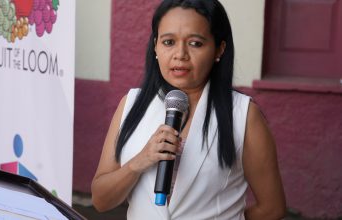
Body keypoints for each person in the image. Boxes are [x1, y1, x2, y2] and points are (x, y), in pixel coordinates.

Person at [91, 0, 286, 219]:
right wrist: (139, 162)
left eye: (195, 43)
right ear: (155, 45)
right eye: (168, 42)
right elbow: (100, 200)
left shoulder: (243, 115)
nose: (180, 54)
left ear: (219, 49)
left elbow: (272, 208)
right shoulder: (131, 104)